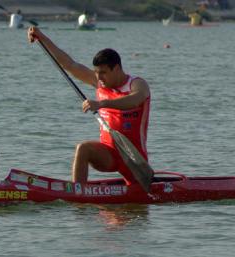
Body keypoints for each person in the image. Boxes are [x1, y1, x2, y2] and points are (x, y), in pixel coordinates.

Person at [27, 27, 151, 185]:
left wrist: (102, 103)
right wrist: (42, 38)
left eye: (103, 72)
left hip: (133, 157)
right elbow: (69, 64)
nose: (99, 77)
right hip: (108, 154)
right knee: (83, 148)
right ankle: (78, 195)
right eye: (97, 73)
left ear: (117, 68)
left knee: (139, 203)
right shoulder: (99, 82)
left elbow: (135, 100)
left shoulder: (137, 84)